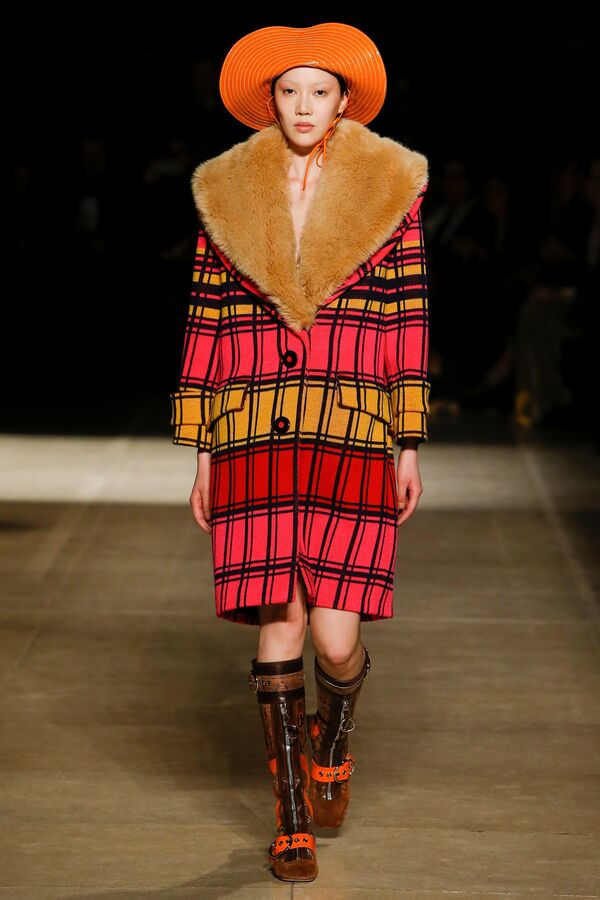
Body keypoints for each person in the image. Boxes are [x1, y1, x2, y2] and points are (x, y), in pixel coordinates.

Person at [169, 22, 431, 883]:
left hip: (351, 427)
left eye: (320, 91)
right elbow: (206, 322)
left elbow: (407, 317)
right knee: (277, 621)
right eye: (290, 91)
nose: (305, 106)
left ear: (344, 99)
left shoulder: (391, 187)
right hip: (254, 431)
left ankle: (335, 738)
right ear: (270, 101)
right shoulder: (225, 190)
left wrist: (407, 438)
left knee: (336, 638)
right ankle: (290, 820)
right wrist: (202, 448)